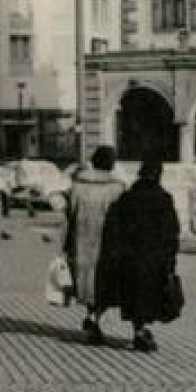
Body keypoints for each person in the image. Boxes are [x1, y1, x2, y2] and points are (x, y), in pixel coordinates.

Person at [98, 158, 181, 353]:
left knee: (133, 293)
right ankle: (141, 331)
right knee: (149, 294)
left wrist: (114, 252)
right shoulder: (164, 199)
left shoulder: (126, 198)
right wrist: (171, 259)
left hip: (129, 256)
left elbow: (113, 228)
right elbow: (172, 232)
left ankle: (139, 329)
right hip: (155, 258)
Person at [65, 145, 126, 344]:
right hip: (108, 244)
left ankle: (93, 318)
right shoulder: (117, 187)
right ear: (112, 163)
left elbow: (69, 214)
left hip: (81, 242)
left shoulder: (77, 185)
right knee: (106, 283)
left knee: (87, 284)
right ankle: (94, 319)